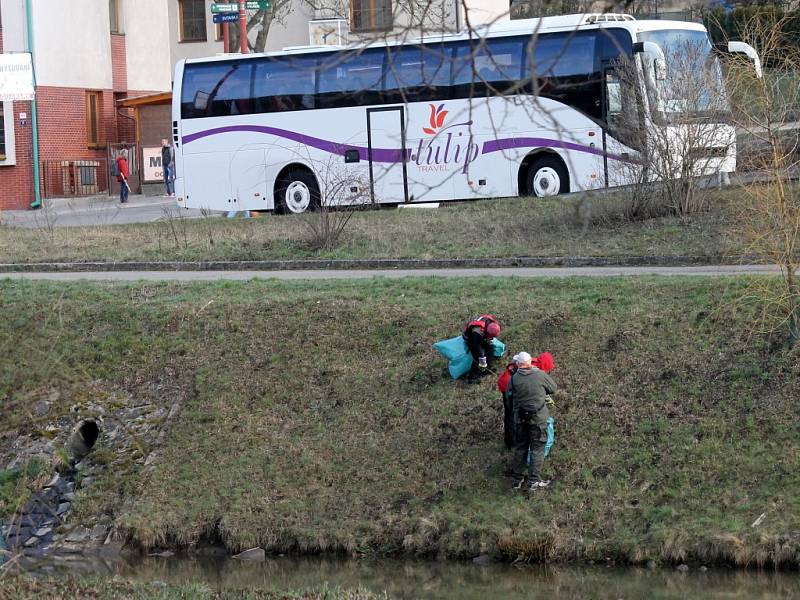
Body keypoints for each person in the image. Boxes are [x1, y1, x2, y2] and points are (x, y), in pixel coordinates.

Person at [508, 351, 557, 491]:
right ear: (530, 362)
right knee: (537, 449)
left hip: (520, 419)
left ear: (518, 364)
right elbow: (553, 388)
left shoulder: (513, 379)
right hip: (538, 420)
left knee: (521, 448)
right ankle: (534, 481)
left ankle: (517, 480)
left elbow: (509, 395)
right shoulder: (540, 375)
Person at [498, 351, 554, 450]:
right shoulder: (534, 370)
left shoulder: (534, 362)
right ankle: (511, 441)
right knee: (511, 413)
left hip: (510, 383)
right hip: (507, 385)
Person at [462, 314, 501, 383]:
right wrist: (482, 358)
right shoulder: (477, 332)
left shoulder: (492, 323)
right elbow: (476, 346)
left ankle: (487, 369)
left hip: (481, 336)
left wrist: (488, 340)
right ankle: (472, 378)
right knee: (477, 357)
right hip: (470, 338)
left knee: (490, 348)